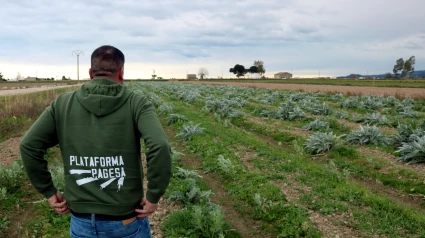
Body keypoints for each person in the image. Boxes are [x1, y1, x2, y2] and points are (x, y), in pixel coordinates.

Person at [20, 45, 172, 238]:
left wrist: (48, 191)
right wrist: (153, 195)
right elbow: (159, 145)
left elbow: (28, 145)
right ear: (121, 73)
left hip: (82, 222)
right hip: (125, 220)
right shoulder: (137, 103)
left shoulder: (62, 104)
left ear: (91, 73)